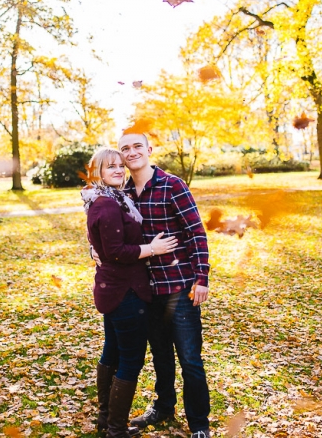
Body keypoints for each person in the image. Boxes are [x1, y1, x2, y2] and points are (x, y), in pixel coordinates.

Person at [96, 132, 212, 438]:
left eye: (137, 146)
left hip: (179, 288)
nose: (131, 152)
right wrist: (95, 250)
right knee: (160, 355)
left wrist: (202, 278)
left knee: (189, 359)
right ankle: (163, 408)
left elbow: (196, 232)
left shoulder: (173, 185)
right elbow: (110, 236)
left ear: (149, 149)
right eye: (125, 149)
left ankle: (199, 424)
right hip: (146, 291)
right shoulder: (123, 194)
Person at [82, 147, 178, 438]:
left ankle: (105, 419)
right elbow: (114, 251)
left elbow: (100, 243)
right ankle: (116, 429)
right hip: (124, 291)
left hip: (113, 288)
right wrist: (153, 249)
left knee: (111, 350)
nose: (118, 170)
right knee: (131, 358)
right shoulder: (108, 204)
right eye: (110, 166)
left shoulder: (113, 199)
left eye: (120, 166)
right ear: (97, 171)